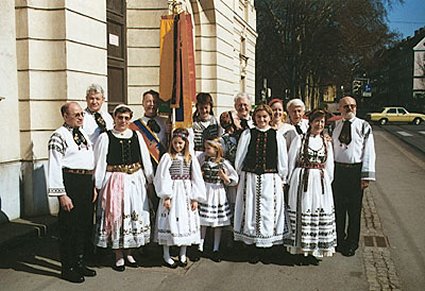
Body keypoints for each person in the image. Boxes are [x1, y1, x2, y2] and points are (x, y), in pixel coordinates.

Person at [94, 104, 154, 271]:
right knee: (116, 215)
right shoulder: (105, 137)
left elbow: (145, 160)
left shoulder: (136, 136)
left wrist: (150, 181)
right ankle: (118, 254)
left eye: (127, 118)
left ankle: (129, 252)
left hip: (135, 179)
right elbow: (100, 163)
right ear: (114, 118)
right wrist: (97, 185)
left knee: (134, 212)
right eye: (120, 117)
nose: (123, 121)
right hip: (115, 180)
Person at [48, 101, 97, 283]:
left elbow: (87, 160)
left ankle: (79, 262)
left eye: (81, 114)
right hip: (70, 183)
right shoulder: (58, 136)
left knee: (84, 226)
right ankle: (67, 268)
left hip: (85, 182)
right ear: (65, 116)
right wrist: (62, 194)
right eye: (76, 114)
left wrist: (92, 185)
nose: (80, 117)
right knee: (69, 228)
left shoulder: (83, 134)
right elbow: (54, 166)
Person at [233, 104, 289, 263]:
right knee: (250, 209)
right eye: (259, 117)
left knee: (268, 211)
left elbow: (282, 158)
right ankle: (251, 246)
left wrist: (283, 177)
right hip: (250, 177)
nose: (262, 120)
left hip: (270, 179)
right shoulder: (248, 134)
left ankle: (267, 247)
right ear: (254, 118)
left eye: (265, 117)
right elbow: (241, 155)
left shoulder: (276, 135)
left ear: (270, 118)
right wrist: (238, 173)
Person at [285, 109, 336, 265]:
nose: (319, 124)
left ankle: (314, 249)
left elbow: (330, 165)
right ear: (311, 122)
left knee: (317, 211)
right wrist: (289, 181)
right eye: (317, 121)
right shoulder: (300, 140)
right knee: (302, 210)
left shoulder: (326, 141)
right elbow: (291, 161)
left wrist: (326, 182)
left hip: (320, 181)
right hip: (301, 179)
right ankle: (299, 250)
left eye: (322, 122)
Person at [154, 128, 206, 268]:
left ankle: (183, 253)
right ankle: (166, 254)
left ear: (186, 144)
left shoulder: (190, 158)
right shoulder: (168, 157)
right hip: (173, 193)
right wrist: (166, 196)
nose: (178, 146)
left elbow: (196, 178)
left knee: (185, 222)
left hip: (186, 194)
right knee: (169, 221)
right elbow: (162, 176)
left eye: (181, 143)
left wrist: (195, 198)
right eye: (176, 143)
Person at [332, 96, 376, 257]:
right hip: (338, 172)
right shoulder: (335, 126)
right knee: (338, 208)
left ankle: (352, 243)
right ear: (340, 108)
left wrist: (366, 176)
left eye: (352, 106)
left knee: (354, 210)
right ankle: (339, 240)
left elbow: (369, 152)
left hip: (354, 172)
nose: (350, 108)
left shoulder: (363, 126)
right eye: (346, 106)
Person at [198, 137, 238, 262]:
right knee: (203, 221)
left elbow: (234, 178)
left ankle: (216, 248)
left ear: (216, 149)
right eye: (205, 148)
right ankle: (200, 246)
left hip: (217, 192)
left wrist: (225, 177)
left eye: (208, 148)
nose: (206, 151)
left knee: (217, 223)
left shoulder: (223, 163)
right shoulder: (202, 160)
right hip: (205, 190)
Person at [192, 92, 222, 157]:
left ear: (210, 107)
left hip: (213, 155)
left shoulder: (216, 122)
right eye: (201, 108)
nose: (204, 111)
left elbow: (220, 139)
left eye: (206, 108)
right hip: (197, 155)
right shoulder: (193, 123)